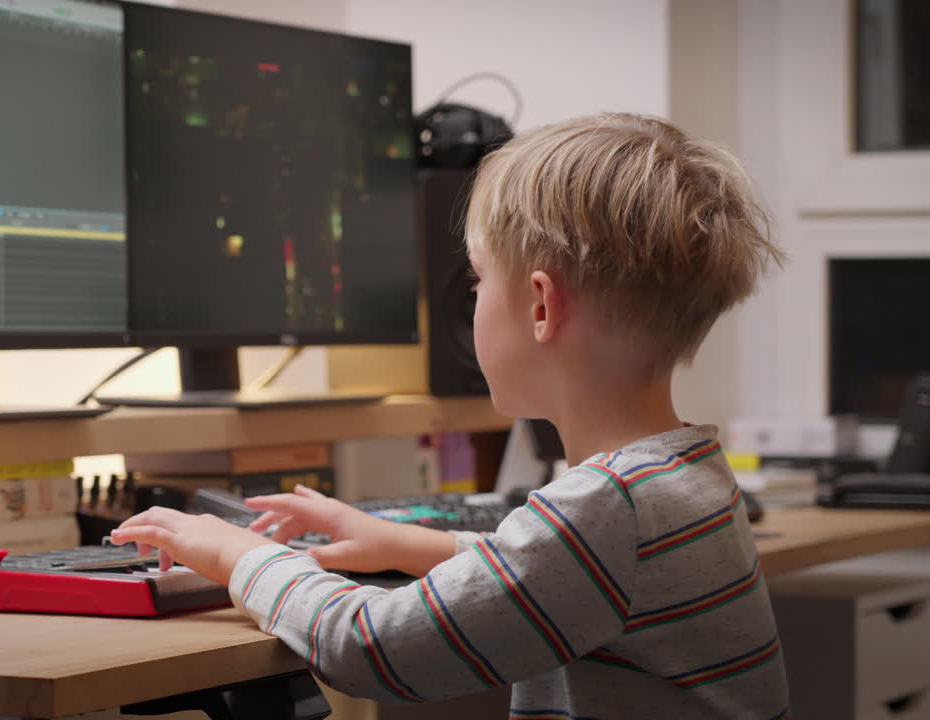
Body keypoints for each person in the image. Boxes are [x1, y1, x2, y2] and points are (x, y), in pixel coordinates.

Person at [112, 112, 790, 718]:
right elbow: (554, 572)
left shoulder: (610, 507)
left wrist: (242, 556)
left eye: (476, 280)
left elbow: (374, 649)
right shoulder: (682, 473)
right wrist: (404, 543)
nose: (470, 302)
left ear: (540, 306)